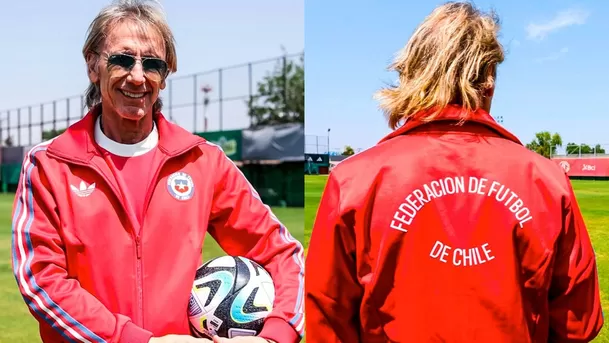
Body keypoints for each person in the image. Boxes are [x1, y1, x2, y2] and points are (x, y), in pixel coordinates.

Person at [304, 2, 602, 342]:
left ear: (411, 74)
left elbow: (326, 322)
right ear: (489, 82)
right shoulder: (547, 181)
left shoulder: (354, 180)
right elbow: (578, 323)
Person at [10, 1, 304, 343]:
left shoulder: (202, 160)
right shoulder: (49, 164)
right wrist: (134, 339)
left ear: (165, 75)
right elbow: (41, 279)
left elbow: (282, 253)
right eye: (122, 59)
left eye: (152, 64)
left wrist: (276, 333)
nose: (138, 76)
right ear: (92, 64)